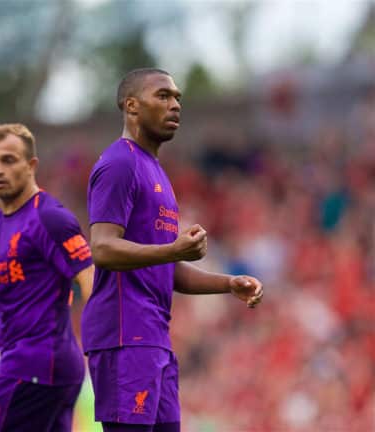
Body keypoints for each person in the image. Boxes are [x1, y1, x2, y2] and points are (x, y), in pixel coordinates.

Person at [81, 68, 264, 432]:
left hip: (153, 338)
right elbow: (101, 249)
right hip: (124, 335)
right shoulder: (120, 164)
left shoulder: (156, 172)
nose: (175, 104)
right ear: (132, 106)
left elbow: (167, 268)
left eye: (177, 97)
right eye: (163, 96)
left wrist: (228, 284)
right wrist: (174, 250)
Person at [0, 123, 94, 432]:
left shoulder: (50, 217)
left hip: (39, 361)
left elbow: (89, 276)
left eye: (9, 160)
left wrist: (104, 341)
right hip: (34, 363)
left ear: (31, 166)